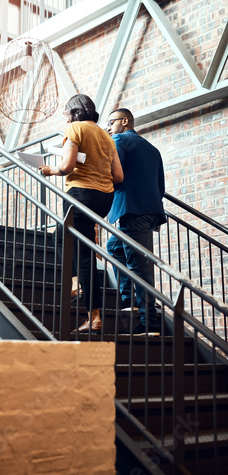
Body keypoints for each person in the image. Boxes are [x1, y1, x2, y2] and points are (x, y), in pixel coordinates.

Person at [39, 94, 124, 333]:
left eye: (66, 112)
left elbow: (66, 167)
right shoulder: (107, 137)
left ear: (73, 112)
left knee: (83, 254)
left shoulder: (75, 128)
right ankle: (76, 282)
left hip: (80, 195)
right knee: (60, 237)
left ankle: (94, 315)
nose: (65, 117)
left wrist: (49, 170)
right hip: (104, 198)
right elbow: (118, 176)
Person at [106, 108, 166, 336]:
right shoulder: (153, 149)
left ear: (125, 121)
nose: (109, 128)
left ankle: (149, 321)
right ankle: (128, 299)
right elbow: (161, 186)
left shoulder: (120, 140)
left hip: (131, 208)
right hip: (150, 209)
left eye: (111, 123)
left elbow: (114, 173)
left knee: (137, 264)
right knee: (113, 247)